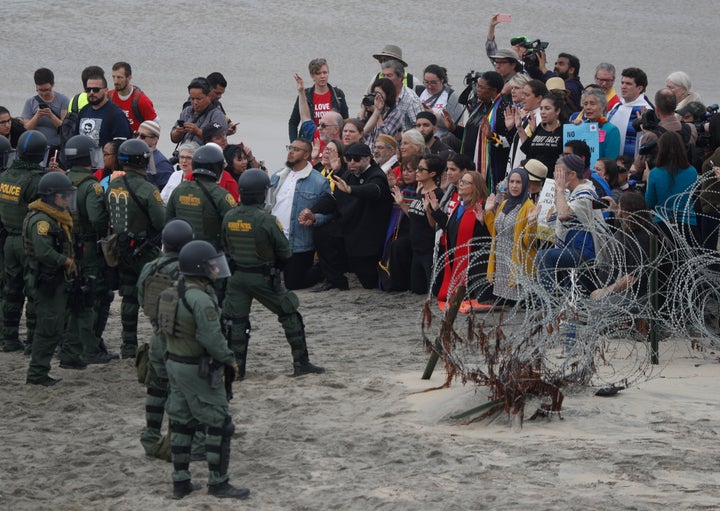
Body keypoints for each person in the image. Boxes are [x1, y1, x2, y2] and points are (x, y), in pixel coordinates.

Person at [158, 240, 249, 500]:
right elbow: (212, 338)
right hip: (197, 367)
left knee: (182, 422)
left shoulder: (172, 291)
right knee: (220, 423)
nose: (215, 270)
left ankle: (181, 482)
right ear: (200, 268)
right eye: (211, 266)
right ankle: (218, 482)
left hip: (174, 362)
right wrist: (230, 360)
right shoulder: (200, 299)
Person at [222, 169, 325, 378]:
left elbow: (225, 247)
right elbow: (285, 252)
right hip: (263, 278)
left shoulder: (229, 216)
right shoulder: (266, 220)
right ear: (262, 193)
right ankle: (301, 363)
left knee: (236, 323)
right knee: (290, 313)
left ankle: (237, 369)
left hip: (237, 278)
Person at [137, 219, 194, 458]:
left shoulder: (149, 268)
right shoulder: (187, 271)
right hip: (180, 341)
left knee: (156, 389)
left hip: (157, 336)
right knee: (184, 393)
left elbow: (141, 297)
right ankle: (179, 442)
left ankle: (151, 436)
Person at [299, 143, 393, 289]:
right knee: (322, 232)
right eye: (348, 159)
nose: (351, 163)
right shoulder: (348, 174)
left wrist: (350, 189)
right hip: (347, 226)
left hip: (367, 233)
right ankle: (335, 280)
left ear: (368, 159)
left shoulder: (376, 175)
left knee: (369, 282)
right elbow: (333, 199)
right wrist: (312, 211)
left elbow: (374, 190)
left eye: (356, 159)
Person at [107, 139, 166, 358]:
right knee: (157, 295)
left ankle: (128, 346)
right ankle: (161, 341)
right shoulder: (149, 190)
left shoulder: (113, 186)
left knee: (128, 297)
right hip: (145, 250)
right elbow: (161, 222)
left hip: (121, 249)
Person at [63, 134, 117, 364]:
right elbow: (97, 220)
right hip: (87, 247)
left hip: (66, 244)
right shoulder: (91, 187)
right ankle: (89, 345)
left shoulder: (62, 180)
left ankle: (67, 340)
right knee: (95, 295)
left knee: (70, 292)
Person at [23, 172, 79, 385]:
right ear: (52, 197)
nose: (67, 200)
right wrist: (66, 262)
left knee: (52, 325)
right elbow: (43, 251)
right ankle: (37, 374)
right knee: (48, 327)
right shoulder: (42, 221)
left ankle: (40, 371)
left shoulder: (54, 217)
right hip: (46, 280)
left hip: (53, 279)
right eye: (63, 196)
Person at [0, 130, 47, 353]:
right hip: (29, 242)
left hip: (9, 240)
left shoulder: (5, 176)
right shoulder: (37, 180)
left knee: (11, 290)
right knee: (34, 291)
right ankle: (31, 339)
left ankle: (8, 338)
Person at [535, 154, 607, 294]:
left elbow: (562, 215)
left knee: (544, 257)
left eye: (560, 173)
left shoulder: (586, 193)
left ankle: (547, 303)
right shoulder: (571, 194)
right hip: (569, 248)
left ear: (572, 174)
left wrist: (560, 191)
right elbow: (550, 218)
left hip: (584, 252)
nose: (556, 177)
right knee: (574, 297)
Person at [267, 139, 332, 290]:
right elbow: (266, 206)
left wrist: (315, 218)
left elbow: (331, 213)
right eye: (290, 148)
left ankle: (322, 268)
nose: (290, 152)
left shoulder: (319, 181)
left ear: (306, 155)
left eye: (296, 149)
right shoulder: (277, 176)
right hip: (274, 240)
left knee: (294, 284)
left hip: (299, 244)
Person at [429, 170, 492, 303]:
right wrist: (436, 210)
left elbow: (490, 237)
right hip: (457, 260)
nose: (461, 184)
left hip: (475, 265)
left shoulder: (483, 206)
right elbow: (450, 227)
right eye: (461, 181)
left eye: (465, 182)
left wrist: (482, 222)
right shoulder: (459, 206)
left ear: (475, 186)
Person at [167, 144, 237, 250]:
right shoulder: (222, 195)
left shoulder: (179, 190)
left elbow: (168, 222)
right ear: (218, 167)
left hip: (181, 252)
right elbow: (233, 227)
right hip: (210, 253)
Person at [484, 167, 538, 302]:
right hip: (501, 263)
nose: (514, 186)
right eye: (512, 182)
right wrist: (488, 213)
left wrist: (532, 224)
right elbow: (496, 234)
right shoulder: (503, 204)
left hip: (516, 265)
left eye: (518, 182)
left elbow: (527, 243)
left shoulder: (528, 207)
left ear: (525, 184)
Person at [644, 131, 698, 244]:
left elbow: (649, 202)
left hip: (663, 224)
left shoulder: (655, 173)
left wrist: (648, 180)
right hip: (687, 224)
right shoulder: (692, 172)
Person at [405, 155, 445, 294]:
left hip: (429, 251)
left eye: (421, 169)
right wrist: (401, 204)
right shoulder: (420, 190)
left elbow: (434, 226)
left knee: (433, 292)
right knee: (416, 290)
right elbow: (414, 216)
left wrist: (429, 209)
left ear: (432, 174)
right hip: (416, 250)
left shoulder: (437, 194)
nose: (417, 171)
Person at [381, 154, 419, 291]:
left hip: (413, 233)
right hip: (397, 230)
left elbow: (417, 219)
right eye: (404, 170)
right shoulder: (401, 189)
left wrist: (403, 203)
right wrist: (390, 187)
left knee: (398, 246)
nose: (406, 174)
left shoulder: (420, 192)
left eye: (410, 170)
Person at [288, 58, 348, 142]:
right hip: (311, 140)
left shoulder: (338, 94)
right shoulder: (305, 95)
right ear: (312, 76)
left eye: (325, 72)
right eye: (318, 73)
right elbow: (293, 122)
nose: (322, 76)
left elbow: (345, 120)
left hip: (332, 141)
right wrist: (294, 143)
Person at [75, 72, 133, 147]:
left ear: (106, 91)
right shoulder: (84, 111)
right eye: (88, 89)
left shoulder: (116, 114)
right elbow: (76, 138)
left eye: (96, 90)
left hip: (104, 158)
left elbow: (122, 143)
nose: (91, 93)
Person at [607, 67, 653, 158]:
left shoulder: (646, 111)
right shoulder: (617, 106)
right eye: (622, 83)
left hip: (632, 163)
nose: (623, 86)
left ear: (639, 88)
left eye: (628, 84)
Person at [21, 68, 68, 154]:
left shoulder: (63, 100)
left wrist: (51, 116)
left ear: (53, 84)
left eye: (47, 90)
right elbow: (26, 129)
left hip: (56, 148)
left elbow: (65, 128)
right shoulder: (30, 102)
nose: (44, 93)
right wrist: (37, 116)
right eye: (40, 90)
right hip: (36, 148)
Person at [171, 77, 228, 146]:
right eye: (192, 99)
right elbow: (174, 139)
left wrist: (197, 132)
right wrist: (178, 132)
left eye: (199, 99)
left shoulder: (217, 115)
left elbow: (218, 142)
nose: (195, 102)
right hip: (184, 153)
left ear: (209, 96)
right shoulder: (186, 111)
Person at [519, 93, 565, 178]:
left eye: (547, 109)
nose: (542, 112)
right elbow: (528, 150)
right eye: (541, 109)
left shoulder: (564, 129)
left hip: (552, 179)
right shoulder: (539, 127)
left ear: (557, 111)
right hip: (534, 178)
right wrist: (519, 127)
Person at [506, 79, 547, 172]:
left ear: (539, 98)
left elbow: (531, 149)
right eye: (523, 94)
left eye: (527, 95)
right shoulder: (528, 115)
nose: (523, 97)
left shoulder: (541, 118)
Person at [569, 86, 621, 160]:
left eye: (592, 104)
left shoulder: (611, 130)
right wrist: (575, 129)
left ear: (602, 106)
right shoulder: (582, 126)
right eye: (586, 104)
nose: (588, 107)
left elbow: (611, 160)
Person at [108, 61, 158, 132]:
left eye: (119, 77)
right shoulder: (108, 97)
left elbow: (155, 125)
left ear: (129, 78)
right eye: (113, 77)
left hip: (135, 141)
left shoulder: (142, 101)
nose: (115, 81)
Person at [417, 64, 464, 137]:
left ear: (442, 80)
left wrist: (433, 115)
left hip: (440, 139)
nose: (429, 86)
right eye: (426, 82)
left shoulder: (451, 97)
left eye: (433, 83)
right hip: (418, 138)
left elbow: (455, 128)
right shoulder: (418, 91)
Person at [380, 59, 423, 132]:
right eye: (383, 75)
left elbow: (420, 127)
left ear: (400, 77)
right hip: (382, 135)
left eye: (389, 75)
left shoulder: (411, 99)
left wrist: (402, 136)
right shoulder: (382, 93)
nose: (385, 79)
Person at [360, 77, 403, 150]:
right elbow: (358, 132)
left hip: (383, 152)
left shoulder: (395, 113)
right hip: (367, 148)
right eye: (374, 93)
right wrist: (363, 109)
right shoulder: (370, 108)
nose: (376, 96)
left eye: (379, 94)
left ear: (388, 95)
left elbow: (384, 136)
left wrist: (377, 113)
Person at [136, 120, 174, 191]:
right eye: (136, 134)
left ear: (154, 140)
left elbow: (167, 193)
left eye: (142, 136)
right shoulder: (136, 157)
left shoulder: (162, 164)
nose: (137, 138)